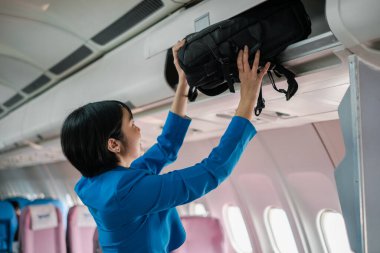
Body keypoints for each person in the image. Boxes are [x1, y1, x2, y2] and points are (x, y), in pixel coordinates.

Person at [60, 40, 270, 253]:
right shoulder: (124, 190)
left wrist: (183, 83)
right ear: (113, 144)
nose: (138, 130)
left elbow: (165, 147)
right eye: (132, 125)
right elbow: (210, 172)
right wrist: (247, 101)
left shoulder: (99, 182)